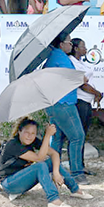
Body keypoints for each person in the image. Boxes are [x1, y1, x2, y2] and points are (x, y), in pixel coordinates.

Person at [0, 118, 92, 207]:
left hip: (21, 178)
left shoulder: (32, 140)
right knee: (40, 165)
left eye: (33, 133)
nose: (29, 136)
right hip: (9, 183)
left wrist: (56, 172)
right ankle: (53, 200)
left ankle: (75, 189)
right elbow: (39, 158)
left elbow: (54, 154)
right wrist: (48, 135)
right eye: (26, 132)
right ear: (19, 131)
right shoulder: (13, 144)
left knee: (51, 162)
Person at [42, 34, 88, 185]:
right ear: (61, 44)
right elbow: (76, 79)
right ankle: (77, 173)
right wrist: (83, 79)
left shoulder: (53, 57)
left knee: (58, 139)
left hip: (54, 103)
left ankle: (51, 170)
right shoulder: (61, 58)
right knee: (77, 136)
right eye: (69, 42)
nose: (71, 45)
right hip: (64, 103)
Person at [68, 38, 103, 174]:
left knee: (82, 135)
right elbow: (81, 84)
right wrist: (97, 93)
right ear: (75, 48)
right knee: (78, 135)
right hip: (79, 101)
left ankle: (80, 164)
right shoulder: (72, 62)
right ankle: (76, 166)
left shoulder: (80, 62)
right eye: (83, 46)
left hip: (86, 102)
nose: (86, 49)